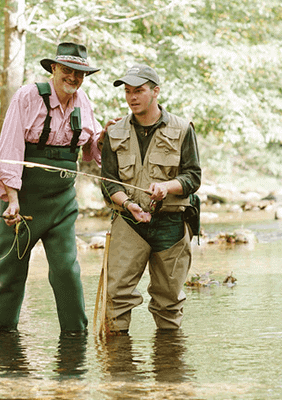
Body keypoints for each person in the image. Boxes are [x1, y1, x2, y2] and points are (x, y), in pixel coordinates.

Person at [0, 42, 104, 335]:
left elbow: (92, 148)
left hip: (63, 204)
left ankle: (75, 341)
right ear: (53, 69)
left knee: (67, 270)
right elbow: (9, 149)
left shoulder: (83, 101)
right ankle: (3, 341)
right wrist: (11, 200)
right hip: (22, 203)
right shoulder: (27, 97)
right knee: (11, 274)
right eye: (67, 70)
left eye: (80, 73)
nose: (74, 78)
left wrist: (105, 138)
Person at [101, 64, 201, 334]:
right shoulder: (113, 132)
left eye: (139, 91)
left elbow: (193, 177)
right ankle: (119, 370)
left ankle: (169, 368)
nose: (132, 97)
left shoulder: (182, 129)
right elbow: (108, 182)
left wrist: (167, 187)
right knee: (117, 297)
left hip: (171, 224)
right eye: (128, 92)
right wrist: (128, 204)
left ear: (155, 91)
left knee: (168, 303)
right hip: (128, 222)